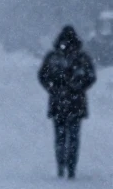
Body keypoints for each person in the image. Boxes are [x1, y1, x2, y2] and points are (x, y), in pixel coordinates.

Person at [38, 25, 96, 179]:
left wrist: (53, 88)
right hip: (76, 103)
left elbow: (42, 76)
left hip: (58, 102)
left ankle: (61, 165)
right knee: (74, 137)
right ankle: (71, 167)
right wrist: (79, 87)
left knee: (60, 136)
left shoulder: (53, 57)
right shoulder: (82, 58)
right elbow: (91, 77)